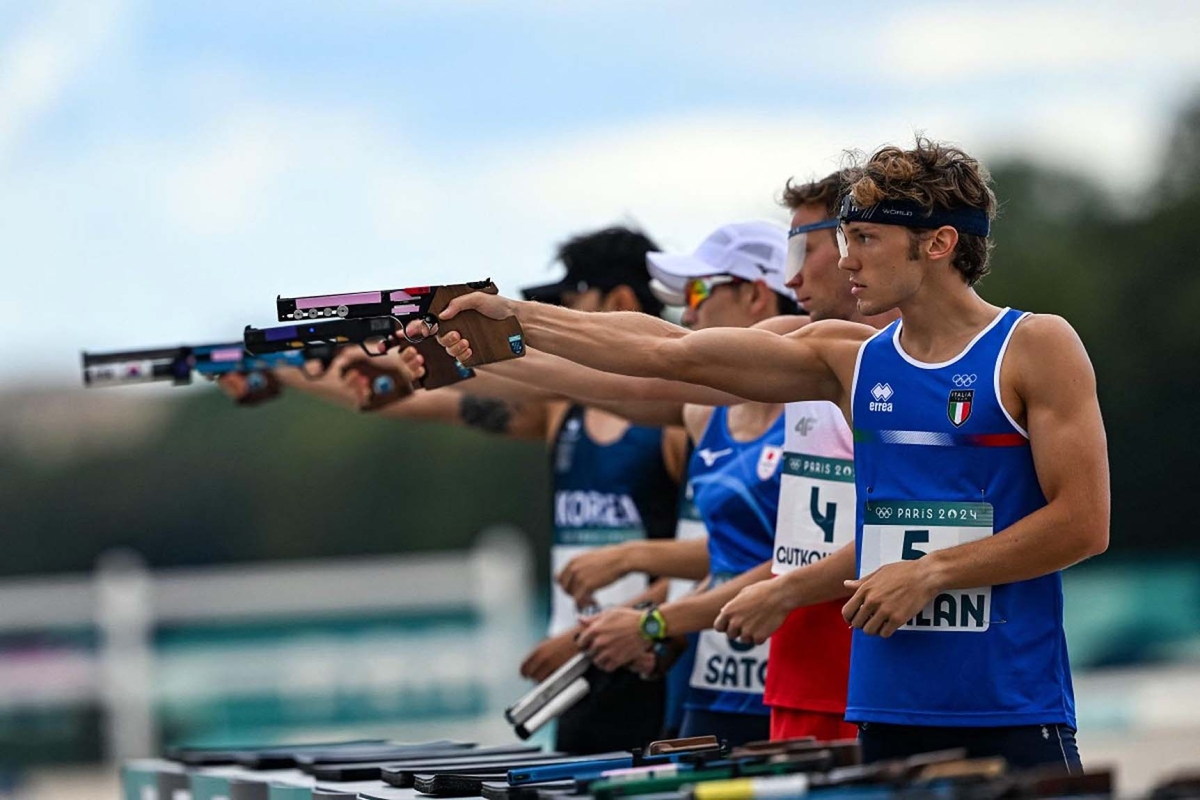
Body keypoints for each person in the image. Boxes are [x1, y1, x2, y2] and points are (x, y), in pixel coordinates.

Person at [431, 138, 1109, 770]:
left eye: (867, 239)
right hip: (882, 706)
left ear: (939, 242)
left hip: (1012, 707)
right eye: (844, 238)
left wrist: (929, 573)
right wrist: (519, 319)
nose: (847, 259)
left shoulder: (1035, 345)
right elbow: (664, 351)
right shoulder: (850, 358)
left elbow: (1083, 521)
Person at [223, 226, 690, 756]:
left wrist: (603, 630)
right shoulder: (564, 410)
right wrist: (282, 368)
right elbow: (413, 398)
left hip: (649, 658)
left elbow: (710, 557)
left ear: (621, 300)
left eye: (573, 299)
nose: (562, 311)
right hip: (576, 671)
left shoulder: (676, 421)